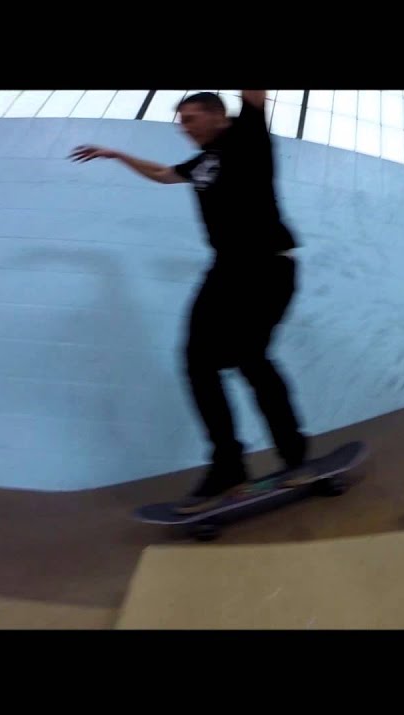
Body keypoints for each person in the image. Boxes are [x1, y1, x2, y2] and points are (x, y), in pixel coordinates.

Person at [69, 90, 309, 514]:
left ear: (219, 117)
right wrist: (117, 154)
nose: (184, 127)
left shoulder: (248, 137)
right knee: (198, 362)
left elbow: (255, 96)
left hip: (267, 269)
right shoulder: (203, 162)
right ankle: (228, 464)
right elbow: (163, 174)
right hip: (226, 270)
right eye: (181, 120)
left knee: (251, 358)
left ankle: (294, 452)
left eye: (191, 118)